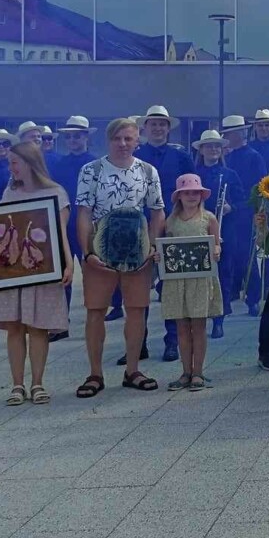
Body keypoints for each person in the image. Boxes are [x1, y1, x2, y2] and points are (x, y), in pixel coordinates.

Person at [74, 117, 166, 397]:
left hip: (136, 252)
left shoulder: (148, 171)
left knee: (137, 310)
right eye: (118, 138)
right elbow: (84, 213)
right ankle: (95, 373)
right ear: (108, 140)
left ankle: (133, 370)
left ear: (137, 140)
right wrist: (87, 251)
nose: (123, 144)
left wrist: (151, 245)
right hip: (100, 252)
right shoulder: (92, 170)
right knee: (95, 311)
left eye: (129, 138)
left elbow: (157, 210)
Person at [0, 141, 72, 404]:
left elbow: (60, 233)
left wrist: (68, 263)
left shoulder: (56, 193)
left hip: (44, 267)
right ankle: (17, 385)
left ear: (30, 163)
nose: (11, 167)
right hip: (12, 271)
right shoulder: (9, 193)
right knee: (15, 327)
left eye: (14, 162)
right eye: (9, 162)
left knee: (39, 326)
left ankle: (38, 383)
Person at [134, 105, 192, 364]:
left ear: (169, 129)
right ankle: (138, 343)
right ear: (144, 128)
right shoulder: (135, 156)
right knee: (138, 288)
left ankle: (172, 342)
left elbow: (192, 192)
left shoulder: (181, 157)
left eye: (162, 124)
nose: (157, 128)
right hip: (140, 228)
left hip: (172, 227)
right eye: (153, 123)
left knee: (170, 287)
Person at [160, 174, 223, 392]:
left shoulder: (209, 218)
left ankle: (198, 372)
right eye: (186, 192)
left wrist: (216, 250)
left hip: (200, 279)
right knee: (182, 328)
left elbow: (217, 245)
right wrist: (160, 256)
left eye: (195, 192)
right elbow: (164, 246)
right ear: (179, 196)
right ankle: (185, 371)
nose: (191, 196)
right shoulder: (170, 220)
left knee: (199, 325)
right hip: (177, 281)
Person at [191, 129, 245, 338]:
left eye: (217, 146)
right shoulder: (194, 174)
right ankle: (200, 315)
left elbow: (242, 202)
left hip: (225, 229)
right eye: (209, 146)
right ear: (201, 149)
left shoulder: (230, 174)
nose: (213, 149)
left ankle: (218, 320)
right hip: (198, 228)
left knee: (223, 273)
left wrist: (232, 208)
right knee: (200, 275)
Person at [221, 115, 268, 317]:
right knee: (227, 257)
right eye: (231, 132)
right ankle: (228, 296)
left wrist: (259, 212)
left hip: (245, 211)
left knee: (247, 257)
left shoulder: (253, 156)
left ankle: (253, 298)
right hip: (226, 214)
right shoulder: (225, 157)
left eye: (238, 132)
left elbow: (262, 186)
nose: (235, 135)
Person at [51, 116, 97, 324]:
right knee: (63, 275)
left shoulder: (97, 164)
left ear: (86, 136)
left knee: (93, 274)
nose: (72, 140)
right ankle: (61, 319)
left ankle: (94, 315)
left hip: (90, 227)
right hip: (66, 227)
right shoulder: (59, 165)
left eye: (76, 136)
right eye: (68, 137)